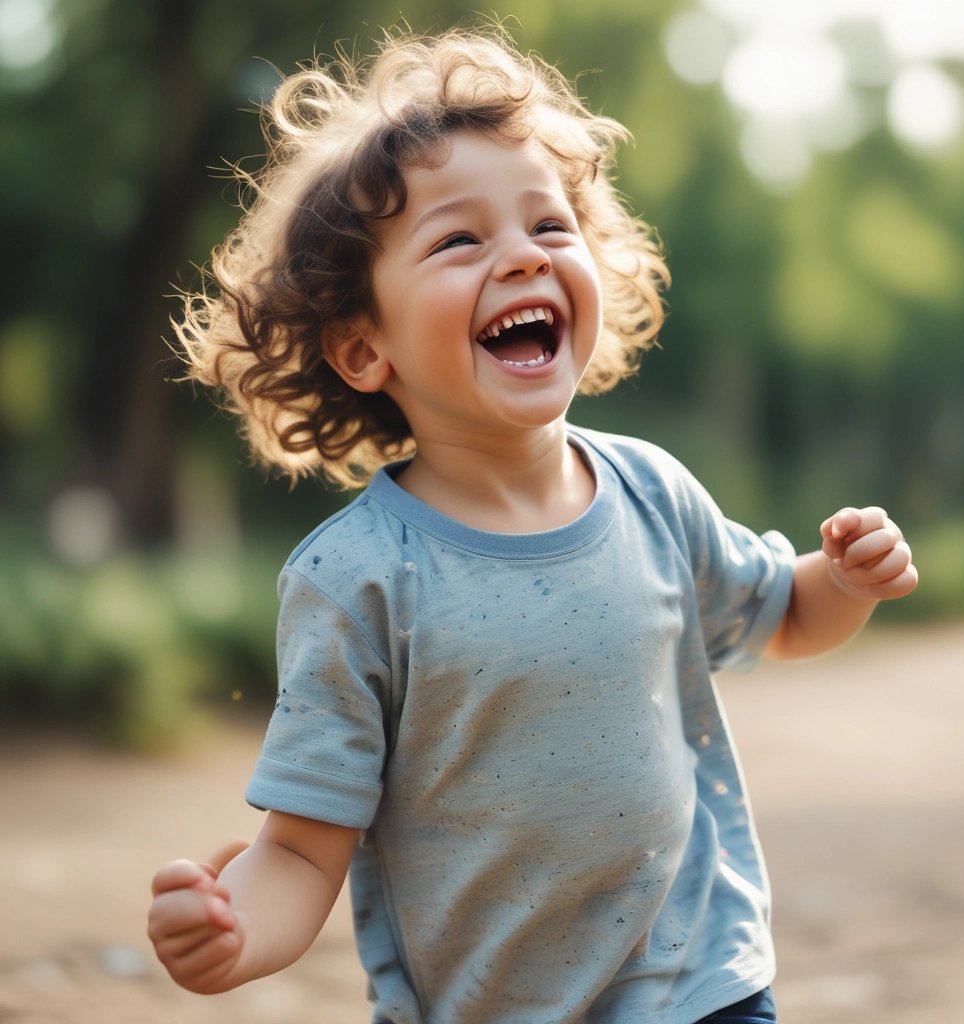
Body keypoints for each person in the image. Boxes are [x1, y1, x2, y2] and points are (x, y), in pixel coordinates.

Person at [147, 26, 918, 1024]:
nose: (519, 257)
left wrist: (842, 580)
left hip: (700, 985)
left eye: (550, 228)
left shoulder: (652, 491)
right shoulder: (358, 579)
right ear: (361, 347)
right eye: (460, 240)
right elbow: (299, 848)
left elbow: (781, 615)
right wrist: (234, 930)